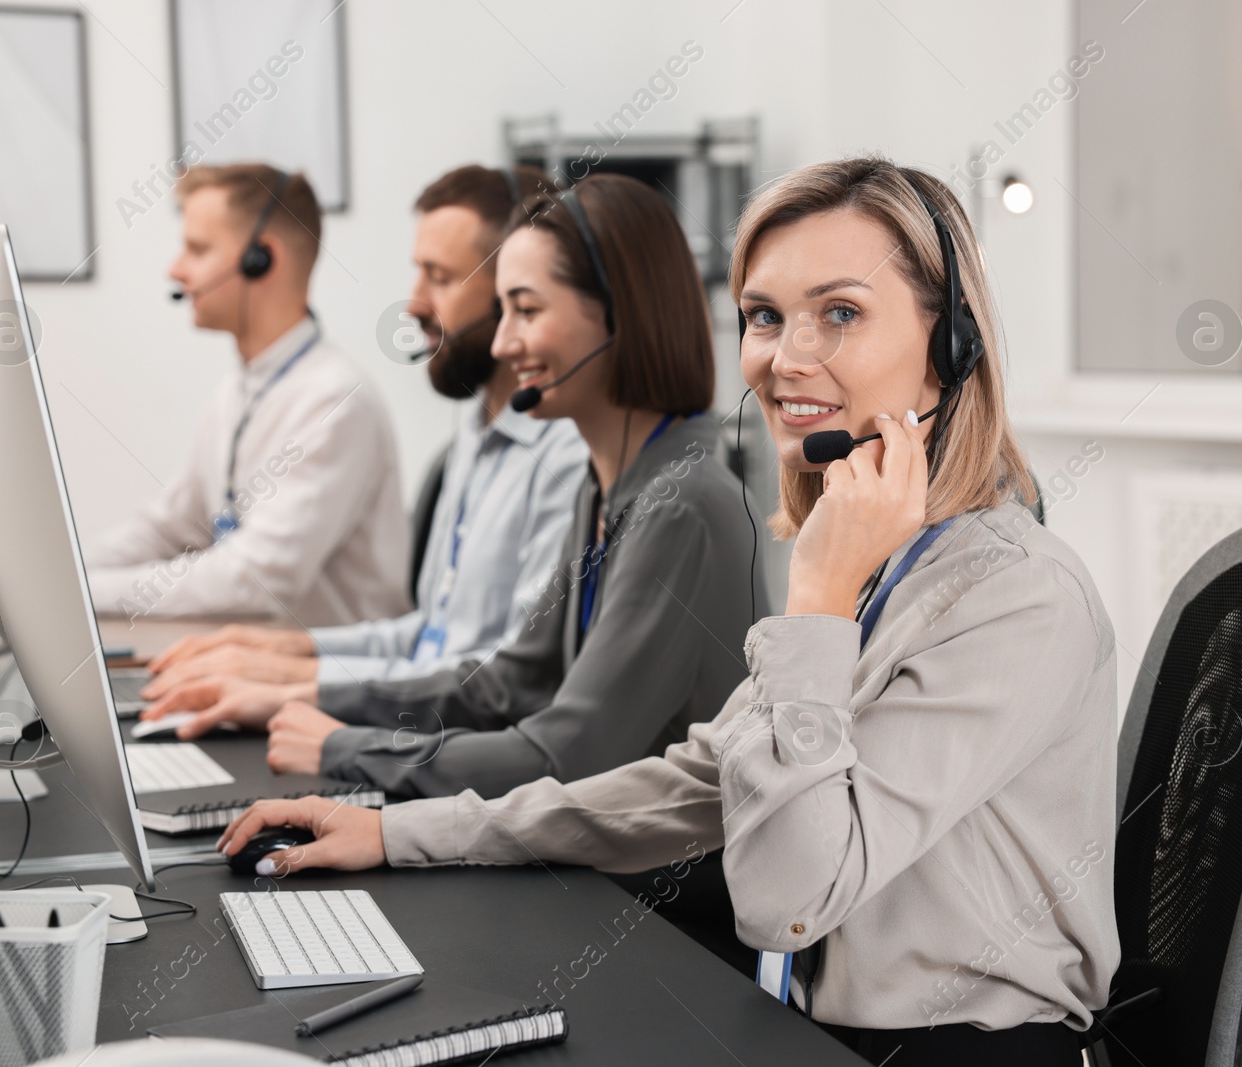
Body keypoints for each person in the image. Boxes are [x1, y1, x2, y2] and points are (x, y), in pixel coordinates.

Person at [219, 157, 1121, 1065]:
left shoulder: (1015, 595)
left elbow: (788, 895)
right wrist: (401, 832)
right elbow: (702, 779)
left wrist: (816, 601)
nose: (784, 356)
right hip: (817, 1025)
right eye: (764, 316)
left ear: (950, 345)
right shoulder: (888, 570)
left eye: (839, 313)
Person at [166, 173, 764, 802]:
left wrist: (344, 746)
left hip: (652, 891)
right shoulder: (606, 484)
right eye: (504, 310)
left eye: (527, 311)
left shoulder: (678, 505)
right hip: (587, 847)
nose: (505, 342)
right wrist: (304, 700)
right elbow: (505, 685)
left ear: (623, 318)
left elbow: (571, 753)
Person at [133, 165, 587, 712]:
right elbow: (430, 637)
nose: (414, 301)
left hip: (452, 755)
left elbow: (507, 684)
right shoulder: (471, 441)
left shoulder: (565, 460)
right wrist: (289, 654)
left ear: (508, 294)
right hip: (414, 723)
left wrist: (296, 687)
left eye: (440, 278)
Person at [85, 164, 409, 628]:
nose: (175, 270)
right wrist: (59, 573)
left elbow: (256, 579)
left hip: (333, 691)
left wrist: (83, 594)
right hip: (253, 670)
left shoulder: (334, 402)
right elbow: (167, 527)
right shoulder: (235, 394)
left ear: (261, 258)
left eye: (196, 249)